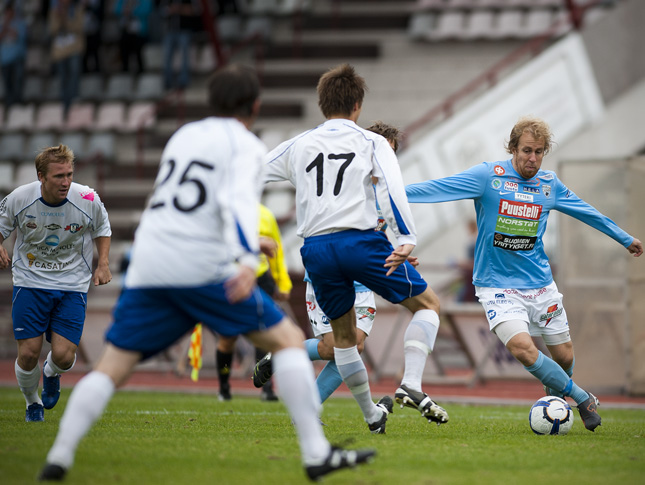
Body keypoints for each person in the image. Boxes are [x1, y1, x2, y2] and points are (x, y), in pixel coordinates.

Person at [38, 63, 375, 482]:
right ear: (254, 105)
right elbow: (238, 205)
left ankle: (58, 458)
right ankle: (315, 454)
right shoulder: (246, 145)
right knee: (288, 341)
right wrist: (249, 261)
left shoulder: (184, 135)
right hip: (201, 264)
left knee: (113, 366)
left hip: (151, 259)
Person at [405, 115, 643, 432]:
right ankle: (583, 398)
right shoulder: (489, 176)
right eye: (527, 150)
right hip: (496, 287)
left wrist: (625, 238)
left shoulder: (549, 185)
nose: (533, 158)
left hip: (541, 286)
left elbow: (588, 211)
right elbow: (437, 189)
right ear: (513, 148)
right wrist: (389, 194)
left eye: (539, 152)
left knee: (564, 356)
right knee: (522, 348)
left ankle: (557, 402)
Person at [262, 64, 449, 434]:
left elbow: (252, 172)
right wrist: (405, 238)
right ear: (358, 105)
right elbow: (392, 190)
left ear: (321, 103)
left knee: (344, 340)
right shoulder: (372, 142)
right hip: (360, 242)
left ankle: (371, 415)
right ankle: (411, 382)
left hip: (315, 249)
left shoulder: (299, 144)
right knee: (428, 305)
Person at [253, 121, 411, 406]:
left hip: (363, 280)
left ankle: (306, 407)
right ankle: (281, 355)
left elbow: (377, 235)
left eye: (390, 154)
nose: (383, 160)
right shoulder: (348, 186)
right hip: (330, 273)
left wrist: (399, 251)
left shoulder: (387, 193)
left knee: (353, 346)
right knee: (331, 348)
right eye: (381, 152)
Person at [0, 144, 112, 423]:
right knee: (27, 354)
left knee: (63, 356)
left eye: (69, 174)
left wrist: (103, 263)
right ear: (41, 176)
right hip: (30, 280)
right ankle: (32, 403)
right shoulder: (19, 198)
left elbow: (102, 228)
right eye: (59, 176)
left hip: (72, 283)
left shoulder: (86, 197)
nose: (66, 182)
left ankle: (51, 373)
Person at [216, 203, 292, 402]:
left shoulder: (266, 214)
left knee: (266, 332)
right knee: (228, 336)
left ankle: (266, 388)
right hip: (231, 279)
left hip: (260, 278)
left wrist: (282, 281)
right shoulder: (226, 210)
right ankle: (223, 387)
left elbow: (277, 249)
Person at [48, 0, 86, 117]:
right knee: (63, 78)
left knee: (74, 74)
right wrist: (59, 17)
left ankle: (74, 101)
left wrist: (65, 20)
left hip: (74, 48)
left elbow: (78, 27)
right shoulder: (54, 11)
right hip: (60, 50)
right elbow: (53, 29)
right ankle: (65, 105)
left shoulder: (77, 10)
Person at [159, 0, 201, 91]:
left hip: (185, 31)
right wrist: (174, 10)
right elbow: (163, 12)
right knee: (167, 56)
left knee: (185, 56)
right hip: (170, 31)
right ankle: (168, 82)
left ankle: (184, 81)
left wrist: (178, 9)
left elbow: (193, 11)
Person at [0, 1, 28, 110]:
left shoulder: (20, 23)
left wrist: (9, 28)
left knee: (18, 82)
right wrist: (5, 26)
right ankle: (9, 106)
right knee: (8, 85)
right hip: (5, 59)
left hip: (17, 59)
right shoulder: (2, 25)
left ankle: (18, 105)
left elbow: (18, 36)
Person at [113, 0, 152, 74]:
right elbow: (116, 10)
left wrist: (132, 10)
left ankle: (141, 74)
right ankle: (125, 72)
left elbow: (147, 10)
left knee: (139, 54)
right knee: (124, 53)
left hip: (139, 33)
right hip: (126, 31)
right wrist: (124, 10)